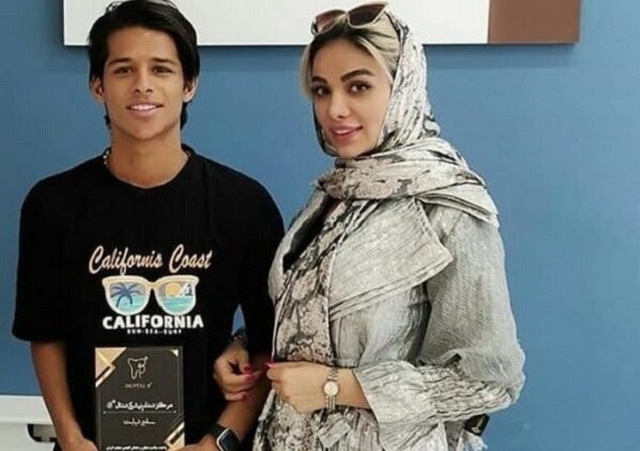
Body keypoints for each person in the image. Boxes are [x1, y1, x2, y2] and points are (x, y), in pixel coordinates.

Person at [213, 2, 525, 450]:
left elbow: (489, 378)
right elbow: (317, 321)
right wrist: (249, 346)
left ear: (403, 87)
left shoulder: (447, 206)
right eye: (321, 90)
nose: (335, 109)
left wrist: (337, 387)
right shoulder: (336, 193)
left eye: (358, 86)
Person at [12, 1, 283, 450]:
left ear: (189, 84)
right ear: (97, 86)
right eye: (123, 70)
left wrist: (219, 440)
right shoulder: (52, 204)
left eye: (161, 69)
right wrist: (70, 436)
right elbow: (45, 332)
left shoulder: (243, 205)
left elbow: (271, 339)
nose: (142, 84)